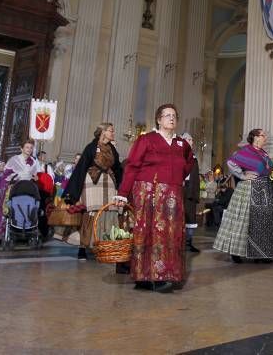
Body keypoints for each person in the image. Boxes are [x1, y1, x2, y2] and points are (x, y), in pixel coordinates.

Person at [118, 104, 194, 293]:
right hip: (148, 192)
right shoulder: (146, 139)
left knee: (170, 234)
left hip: (172, 195)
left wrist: (174, 179)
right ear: (159, 120)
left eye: (174, 115)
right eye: (167, 115)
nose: (171, 118)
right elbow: (132, 166)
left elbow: (188, 165)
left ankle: (165, 274)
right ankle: (145, 276)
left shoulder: (182, 144)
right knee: (147, 233)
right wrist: (122, 192)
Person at [213, 128, 273, 263]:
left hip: (265, 188)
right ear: (255, 137)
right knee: (243, 221)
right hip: (249, 188)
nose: (265, 138)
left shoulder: (263, 153)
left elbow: (270, 169)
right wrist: (242, 175)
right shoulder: (246, 151)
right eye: (263, 136)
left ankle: (259, 253)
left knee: (262, 221)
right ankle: (235, 252)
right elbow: (231, 162)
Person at [62, 123, 123, 261]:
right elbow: (81, 168)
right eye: (110, 131)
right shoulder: (90, 148)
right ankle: (82, 248)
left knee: (108, 214)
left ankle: (104, 247)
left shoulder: (112, 148)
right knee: (90, 215)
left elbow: (118, 168)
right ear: (102, 132)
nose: (113, 133)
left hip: (109, 184)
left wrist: (122, 187)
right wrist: (72, 193)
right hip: (92, 184)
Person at [0, 139, 37, 242]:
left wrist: (34, 178)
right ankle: (0, 232)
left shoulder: (34, 162)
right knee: (6, 209)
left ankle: (22, 229)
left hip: (26, 190)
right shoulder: (14, 160)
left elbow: (35, 175)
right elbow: (6, 175)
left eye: (31, 147)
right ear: (21, 148)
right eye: (27, 147)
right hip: (13, 188)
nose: (29, 149)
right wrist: (16, 176)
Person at [181, 133, 201, 253]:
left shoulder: (193, 156)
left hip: (191, 189)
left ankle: (188, 243)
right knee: (181, 216)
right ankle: (179, 242)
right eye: (189, 139)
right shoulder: (179, 154)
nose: (191, 141)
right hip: (182, 189)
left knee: (191, 217)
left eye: (192, 139)